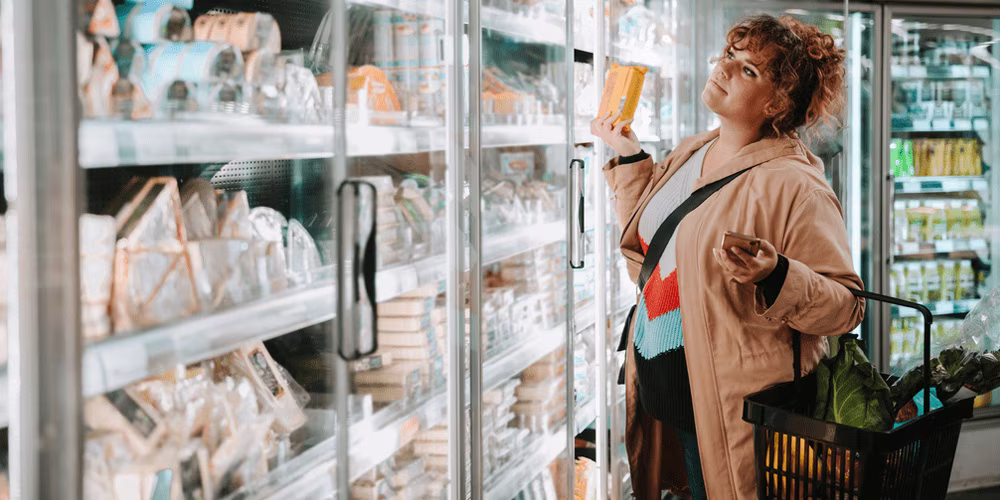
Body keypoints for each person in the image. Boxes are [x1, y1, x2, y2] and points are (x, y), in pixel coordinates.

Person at [591, 14, 865, 500]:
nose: (724, 68)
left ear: (778, 103)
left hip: (726, 406)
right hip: (665, 390)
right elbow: (660, 249)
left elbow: (846, 307)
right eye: (730, 57)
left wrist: (777, 275)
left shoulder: (796, 186)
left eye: (749, 70)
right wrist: (630, 156)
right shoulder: (695, 149)